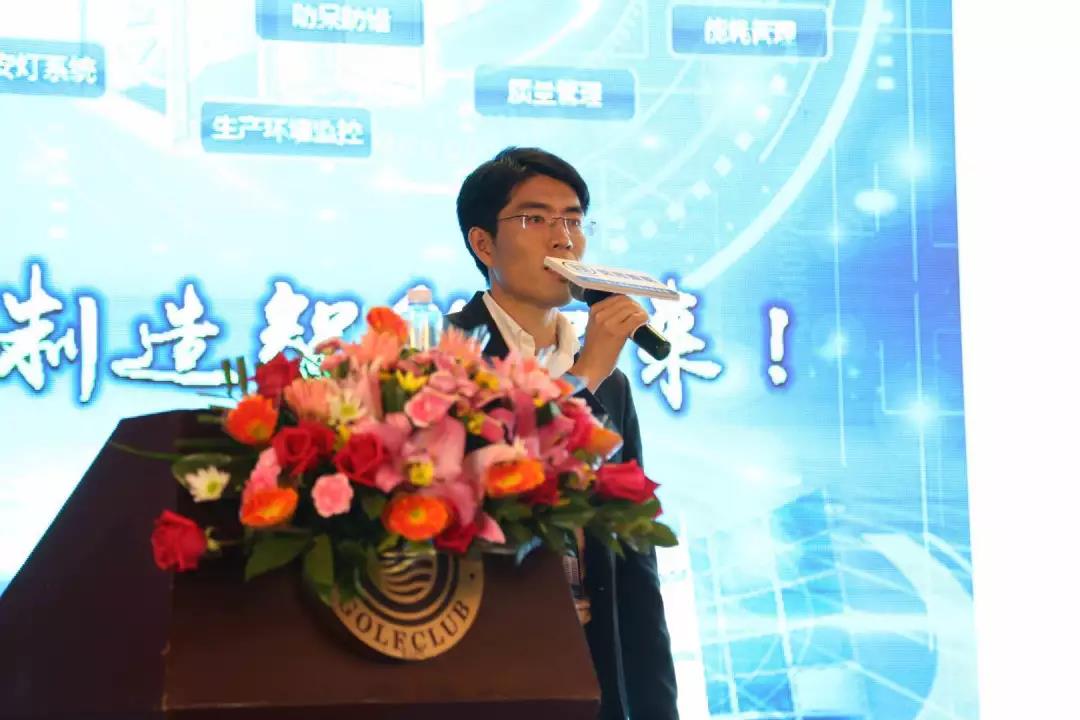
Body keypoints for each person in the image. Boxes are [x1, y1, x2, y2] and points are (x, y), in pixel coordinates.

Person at [448, 147, 679, 720]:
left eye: (574, 221)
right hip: (482, 664)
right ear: (483, 244)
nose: (563, 239)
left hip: (593, 660)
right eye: (536, 219)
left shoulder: (610, 383)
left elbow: (633, 553)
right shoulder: (441, 358)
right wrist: (585, 376)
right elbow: (485, 497)